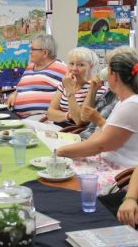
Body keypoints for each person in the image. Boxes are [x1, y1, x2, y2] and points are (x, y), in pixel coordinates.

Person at [57, 48, 138, 193]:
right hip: (105, 161)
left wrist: (61, 151)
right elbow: (100, 134)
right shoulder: (123, 102)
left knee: (60, 177)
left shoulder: (131, 104)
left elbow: (101, 145)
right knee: (54, 169)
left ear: (114, 76)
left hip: (120, 171)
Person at [7, 34, 68, 118]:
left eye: (33, 49)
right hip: (17, 116)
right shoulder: (30, 66)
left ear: (45, 53)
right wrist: (14, 94)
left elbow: (71, 91)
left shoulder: (60, 68)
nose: (30, 51)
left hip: (41, 119)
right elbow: (22, 88)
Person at [47, 47, 106, 127]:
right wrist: (69, 115)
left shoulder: (97, 87)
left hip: (75, 132)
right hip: (58, 126)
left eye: (81, 65)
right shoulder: (65, 83)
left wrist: (69, 91)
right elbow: (50, 114)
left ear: (91, 67)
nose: (74, 69)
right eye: (71, 64)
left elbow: (80, 120)